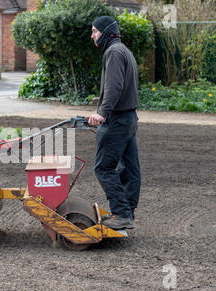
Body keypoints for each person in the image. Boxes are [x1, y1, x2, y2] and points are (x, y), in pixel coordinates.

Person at [88, 16, 141, 230]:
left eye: (94, 31)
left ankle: (121, 213)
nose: (92, 35)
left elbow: (114, 87)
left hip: (117, 121)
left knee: (103, 168)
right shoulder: (123, 51)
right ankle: (126, 212)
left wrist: (102, 113)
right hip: (128, 118)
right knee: (130, 168)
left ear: (106, 31)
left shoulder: (114, 53)